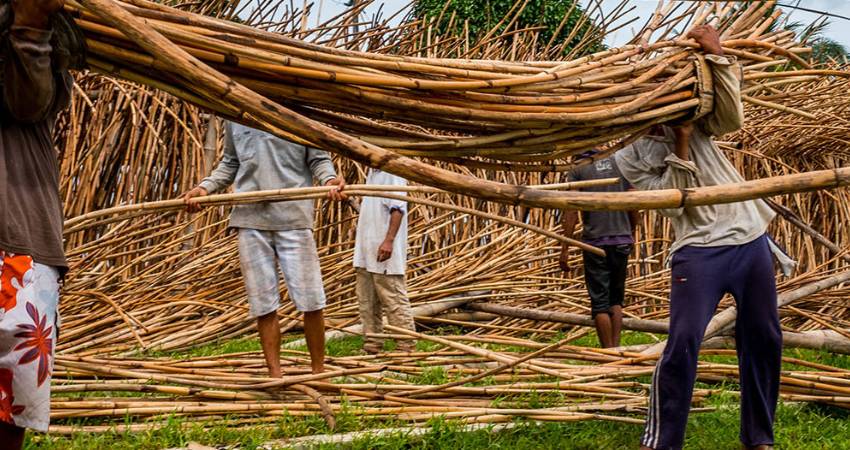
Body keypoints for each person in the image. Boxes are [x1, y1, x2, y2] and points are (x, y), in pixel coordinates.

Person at [614, 25, 786, 450]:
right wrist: (681, 144)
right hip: (698, 250)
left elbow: (732, 117)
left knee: (764, 335)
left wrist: (720, 57)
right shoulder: (629, 152)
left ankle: (758, 437)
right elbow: (672, 203)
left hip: (749, 237)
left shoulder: (695, 111)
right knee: (685, 339)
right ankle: (662, 440)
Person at [183, 123, 346, 376]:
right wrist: (205, 187)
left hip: (294, 217)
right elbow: (230, 163)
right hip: (250, 218)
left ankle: (319, 373)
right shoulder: (235, 118)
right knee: (263, 303)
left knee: (311, 299)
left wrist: (330, 180)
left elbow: (318, 159)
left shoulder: (296, 115)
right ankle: (275, 375)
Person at [0, 0, 75, 447]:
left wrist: (28, 27)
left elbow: (28, 103)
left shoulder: (45, 46)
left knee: (11, 408)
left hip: (17, 241)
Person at [560, 154, 638, 348]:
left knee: (600, 303)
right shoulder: (620, 162)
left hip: (595, 243)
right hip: (621, 240)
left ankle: (607, 353)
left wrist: (565, 248)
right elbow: (634, 200)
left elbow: (571, 211)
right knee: (616, 300)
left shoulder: (578, 169)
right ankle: (616, 350)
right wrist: (631, 231)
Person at [353, 169, 415, 354]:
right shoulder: (372, 174)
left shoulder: (393, 173)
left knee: (393, 298)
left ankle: (406, 346)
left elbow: (398, 208)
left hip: (384, 249)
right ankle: (372, 344)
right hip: (367, 250)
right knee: (367, 300)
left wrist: (388, 240)